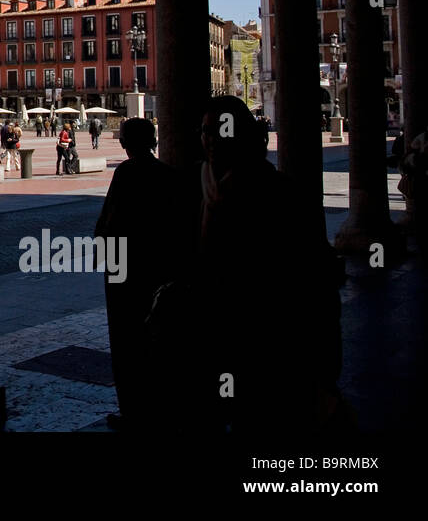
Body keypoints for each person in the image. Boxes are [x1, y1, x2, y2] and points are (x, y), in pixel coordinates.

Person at [158, 96, 343, 432]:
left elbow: (315, 277)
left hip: (266, 340)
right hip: (209, 333)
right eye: (205, 131)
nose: (211, 139)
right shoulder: (192, 189)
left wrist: (322, 370)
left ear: (241, 134)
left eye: (220, 130)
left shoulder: (278, 193)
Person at [94, 117, 194, 431]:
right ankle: (162, 405)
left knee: (127, 342)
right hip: (158, 269)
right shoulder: (168, 174)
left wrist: (105, 256)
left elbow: (110, 222)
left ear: (127, 143)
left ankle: (133, 412)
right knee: (157, 340)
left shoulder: (126, 172)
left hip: (126, 270)